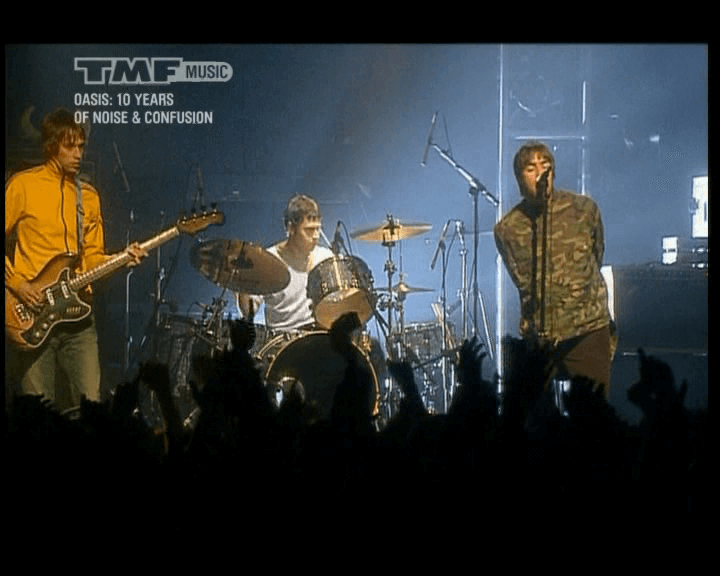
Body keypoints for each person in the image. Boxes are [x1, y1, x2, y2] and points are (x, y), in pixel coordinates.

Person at [5, 108, 147, 409]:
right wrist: (17, 284)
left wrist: (120, 260)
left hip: (78, 318)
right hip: (31, 313)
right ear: (51, 145)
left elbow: (93, 259)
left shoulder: (89, 197)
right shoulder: (23, 185)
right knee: (37, 412)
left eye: (81, 146)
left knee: (92, 406)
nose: (78, 153)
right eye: (70, 146)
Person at [494, 141, 616, 397]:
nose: (541, 173)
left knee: (594, 415)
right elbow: (519, 277)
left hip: (586, 328)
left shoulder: (583, 209)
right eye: (531, 168)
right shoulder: (508, 229)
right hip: (538, 336)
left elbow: (597, 254)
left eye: (545, 165)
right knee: (531, 420)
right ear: (519, 178)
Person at [236, 194, 333, 331]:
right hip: (282, 343)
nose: (316, 236)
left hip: (318, 337)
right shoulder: (267, 260)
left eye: (318, 229)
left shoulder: (325, 257)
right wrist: (241, 284)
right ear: (291, 228)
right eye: (309, 230)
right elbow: (248, 312)